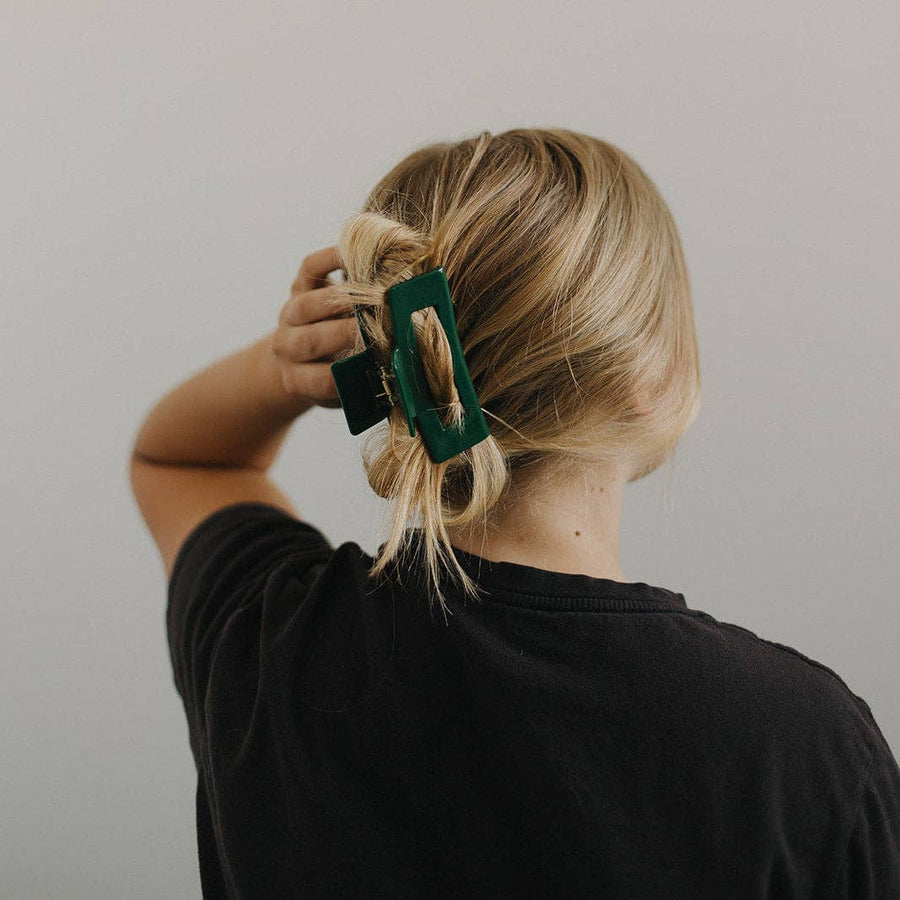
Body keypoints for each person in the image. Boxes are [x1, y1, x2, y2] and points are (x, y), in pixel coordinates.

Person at [131, 128, 900, 898]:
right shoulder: (801, 747)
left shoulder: (275, 649)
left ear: (382, 363)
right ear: (649, 375)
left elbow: (180, 458)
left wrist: (280, 370)